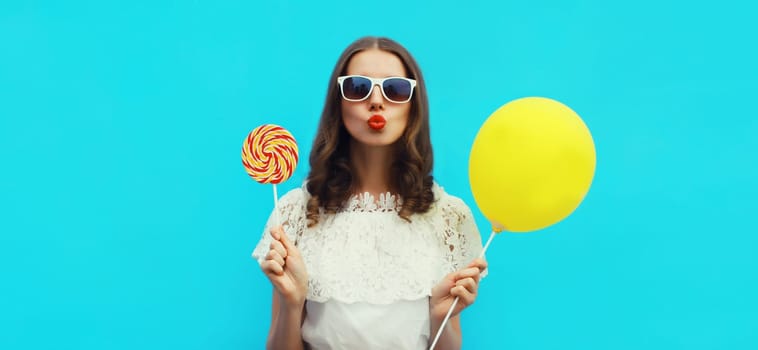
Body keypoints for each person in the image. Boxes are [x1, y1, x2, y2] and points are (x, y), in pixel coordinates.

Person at [252, 36, 487, 350]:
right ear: (339, 102)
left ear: (413, 105)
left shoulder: (447, 216)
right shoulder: (295, 212)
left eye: (396, 89)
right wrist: (292, 303)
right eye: (358, 87)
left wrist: (438, 316)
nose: (377, 101)